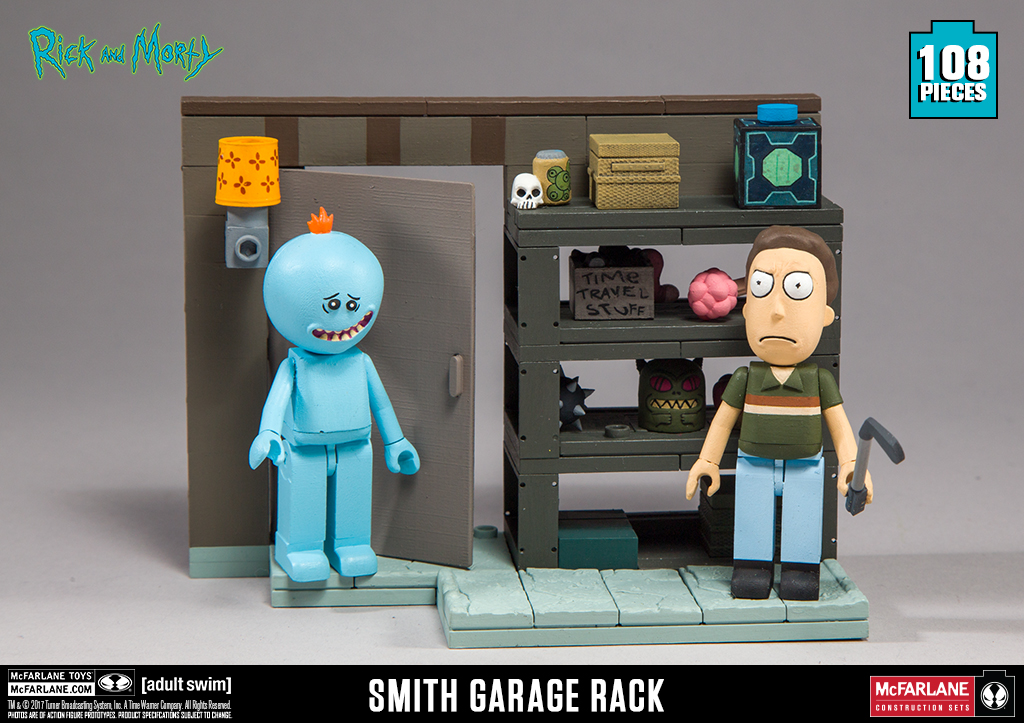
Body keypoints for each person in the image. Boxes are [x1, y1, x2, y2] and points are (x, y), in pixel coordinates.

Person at [685, 226, 870, 600]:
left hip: (806, 466)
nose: (778, 310)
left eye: (798, 289)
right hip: (753, 463)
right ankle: (751, 568)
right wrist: (708, 461)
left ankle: (801, 570)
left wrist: (852, 464)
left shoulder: (819, 380)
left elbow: (840, 426)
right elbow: (723, 420)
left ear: (825, 315)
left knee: (803, 517)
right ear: (747, 308)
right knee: (752, 516)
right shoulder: (746, 378)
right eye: (762, 287)